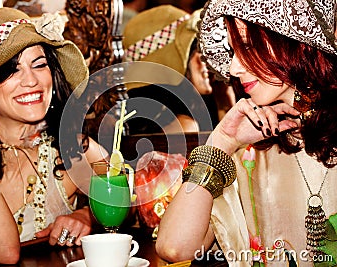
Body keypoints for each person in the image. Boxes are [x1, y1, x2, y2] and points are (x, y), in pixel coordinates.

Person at [156, 0, 337, 266]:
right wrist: (222, 142)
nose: (233, 68)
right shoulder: (247, 152)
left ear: (295, 42)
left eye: (248, 47)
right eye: (232, 50)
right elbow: (174, 248)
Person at [0, 8, 108, 264]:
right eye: (11, 70)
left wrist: (87, 216)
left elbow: (126, 197)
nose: (31, 81)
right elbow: (3, 251)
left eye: (39, 65)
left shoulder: (72, 149)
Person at [122, 5, 235, 134]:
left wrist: (224, 105)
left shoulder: (175, 117)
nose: (209, 58)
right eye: (196, 48)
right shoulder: (183, 126)